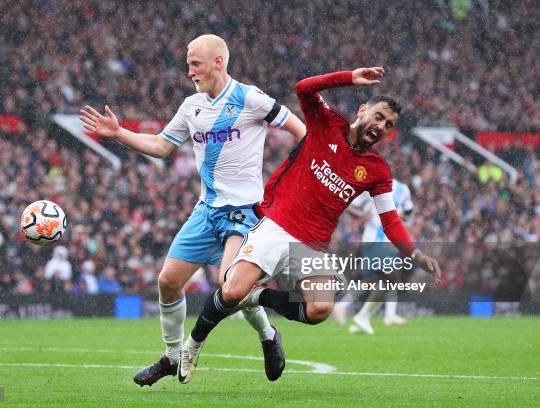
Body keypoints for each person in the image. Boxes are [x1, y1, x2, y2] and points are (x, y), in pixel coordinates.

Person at [178, 67, 441, 384]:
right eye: (379, 116)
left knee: (319, 310)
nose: (381, 126)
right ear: (363, 110)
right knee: (231, 290)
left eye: (388, 125)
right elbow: (303, 87)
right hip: (275, 225)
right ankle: (191, 346)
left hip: (312, 245)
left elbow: (391, 221)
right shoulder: (326, 122)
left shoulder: (376, 170)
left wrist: (415, 254)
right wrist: (348, 77)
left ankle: (258, 297)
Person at [79, 34, 306, 386]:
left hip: (244, 211)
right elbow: (160, 146)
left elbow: (300, 131)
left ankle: (267, 334)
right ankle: (171, 358)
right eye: (188, 65)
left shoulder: (251, 98)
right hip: (207, 210)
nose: (190, 71)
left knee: (230, 284)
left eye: (195, 63)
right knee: (168, 281)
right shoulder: (191, 106)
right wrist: (119, 133)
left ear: (218, 62)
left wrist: (301, 180)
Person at [333, 179, 415, 334]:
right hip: (374, 239)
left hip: (389, 240)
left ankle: (356, 314)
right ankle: (383, 315)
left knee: (375, 281)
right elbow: (348, 202)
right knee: (390, 277)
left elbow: (408, 212)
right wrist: (360, 214)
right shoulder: (371, 187)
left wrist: (401, 215)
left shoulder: (403, 189)